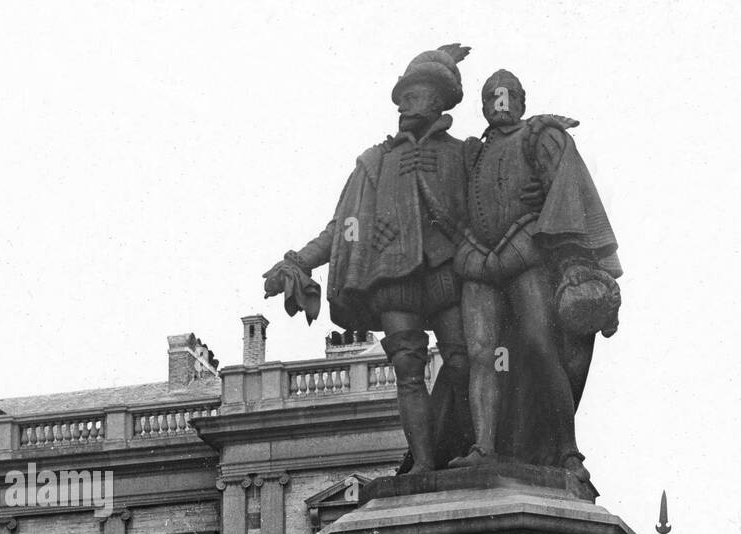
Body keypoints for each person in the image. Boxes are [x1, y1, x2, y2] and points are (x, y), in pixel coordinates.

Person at [263, 45, 475, 472]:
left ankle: (464, 449)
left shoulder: (464, 153)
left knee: (463, 360)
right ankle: (423, 464)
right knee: (409, 371)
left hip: (448, 272)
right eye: (400, 98)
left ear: (438, 99)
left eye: (413, 95)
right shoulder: (376, 162)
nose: (402, 104)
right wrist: (299, 261)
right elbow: (342, 227)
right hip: (393, 277)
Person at [450, 70, 622, 478]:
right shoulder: (473, 152)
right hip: (477, 259)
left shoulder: (540, 137)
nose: (501, 104)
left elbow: (563, 191)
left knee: (541, 345)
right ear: (483, 105)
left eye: (507, 97)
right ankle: (484, 446)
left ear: (522, 101)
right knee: (481, 355)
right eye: (492, 98)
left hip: (525, 251)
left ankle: (567, 450)